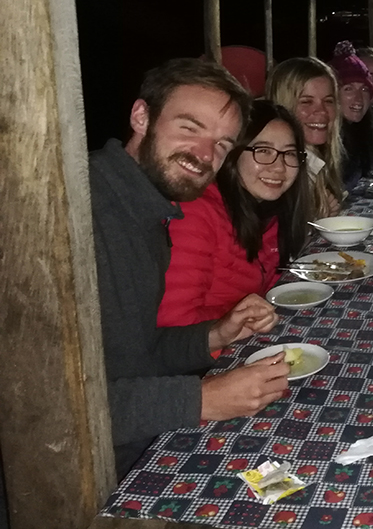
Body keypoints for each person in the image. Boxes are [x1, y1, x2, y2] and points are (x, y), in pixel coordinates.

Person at [89, 58, 287, 478]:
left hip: (143, 438)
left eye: (221, 144)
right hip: (92, 477)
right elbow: (39, 406)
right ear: (142, 116)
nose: (203, 155)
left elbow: (141, 353)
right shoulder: (82, 213)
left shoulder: (149, 211)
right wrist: (200, 399)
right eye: (190, 128)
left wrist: (216, 332)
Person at [157, 100, 309, 328]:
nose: (279, 167)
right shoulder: (195, 213)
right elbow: (174, 324)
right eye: (263, 151)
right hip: (208, 358)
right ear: (232, 155)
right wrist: (241, 318)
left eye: (289, 153)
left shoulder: (269, 211)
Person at [265, 57, 344, 217]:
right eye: (306, 102)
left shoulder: (314, 160)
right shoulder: (272, 167)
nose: (322, 111)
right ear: (284, 106)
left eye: (328, 101)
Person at [330, 41, 373, 190]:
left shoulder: (359, 130)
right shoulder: (323, 138)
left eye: (364, 89)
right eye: (348, 89)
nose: (358, 98)